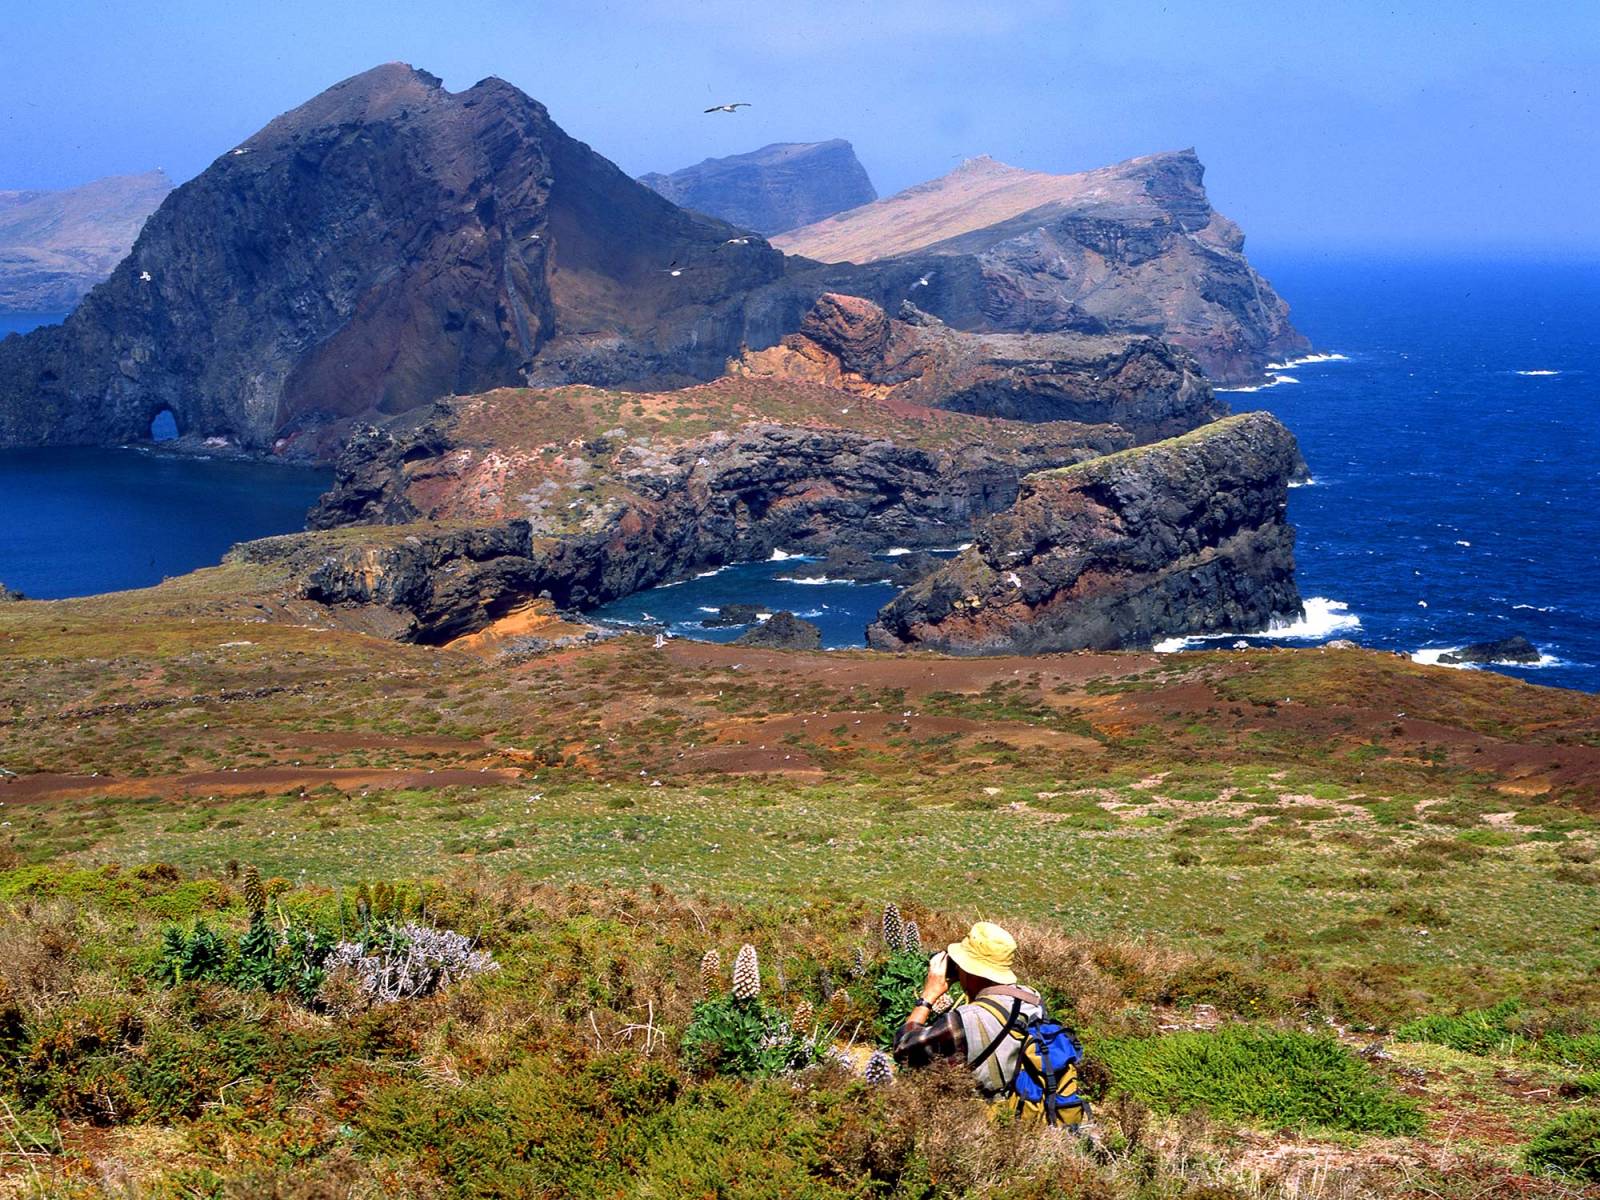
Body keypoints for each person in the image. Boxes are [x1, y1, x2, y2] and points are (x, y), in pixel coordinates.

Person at [891, 921, 1046, 1097]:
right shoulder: (1032, 999)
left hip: (982, 1116)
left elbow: (904, 1049)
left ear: (970, 969)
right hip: (1026, 1108)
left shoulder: (965, 1020)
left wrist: (928, 997)